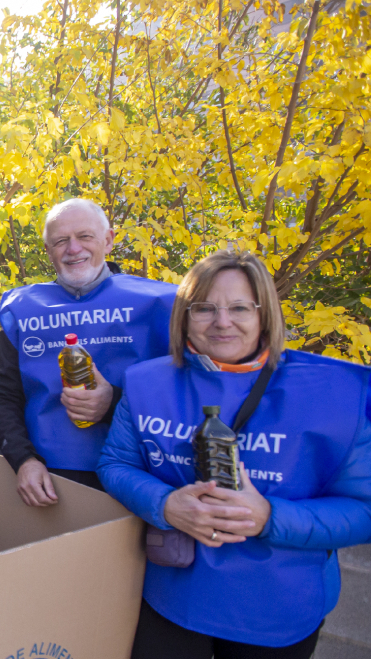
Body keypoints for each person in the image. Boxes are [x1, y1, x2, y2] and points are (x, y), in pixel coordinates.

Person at [98, 250, 371, 658]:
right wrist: (166, 504)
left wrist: (269, 517)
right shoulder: (145, 382)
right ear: (184, 315)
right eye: (204, 308)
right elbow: (116, 463)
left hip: (277, 610)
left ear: (265, 314)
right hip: (172, 597)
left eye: (240, 308)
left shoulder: (337, 394)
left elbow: (364, 510)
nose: (222, 322)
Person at [0, 198, 177, 505]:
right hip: (47, 477)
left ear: (108, 240)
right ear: (48, 250)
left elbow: (185, 396)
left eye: (85, 236)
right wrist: (23, 460)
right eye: (60, 241)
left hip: (142, 476)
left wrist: (113, 403)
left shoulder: (161, 303)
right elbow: (3, 396)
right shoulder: (22, 309)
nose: (73, 249)